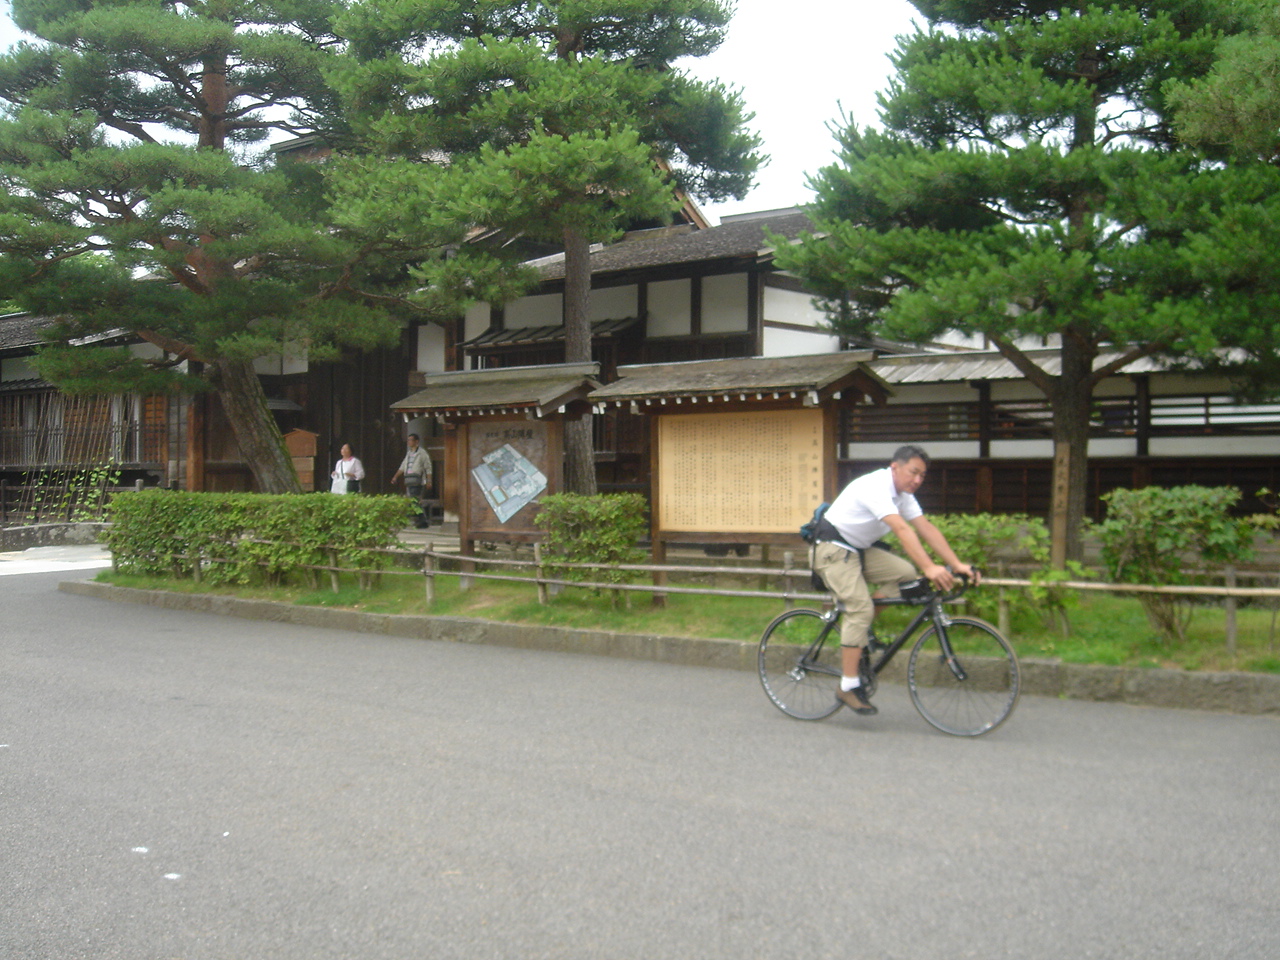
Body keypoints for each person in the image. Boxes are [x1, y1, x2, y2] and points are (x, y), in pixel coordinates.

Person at [812, 444, 979, 717]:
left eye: (922, 475)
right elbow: (901, 529)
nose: (917, 480)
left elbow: (924, 527)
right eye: (913, 472)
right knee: (860, 608)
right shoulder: (875, 486)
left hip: (859, 549)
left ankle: (861, 629)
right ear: (895, 467)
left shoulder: (903, 495)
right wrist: (929, 567)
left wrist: (958, 564)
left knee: (906, 575)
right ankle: (848, 685)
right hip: (832, 548)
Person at [389, 433, 432, 527]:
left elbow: (428, 467)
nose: (409, 442)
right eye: (408, 440)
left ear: (416, 441)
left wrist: (429, 481)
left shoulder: (422, 453)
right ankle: (420, 520)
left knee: (414, 500)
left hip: (418, 480)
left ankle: (421, 520)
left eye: (411, 440)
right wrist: (395, 476)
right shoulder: (409, 454)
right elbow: (403, 466)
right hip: (409, 479)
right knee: (413, 501)